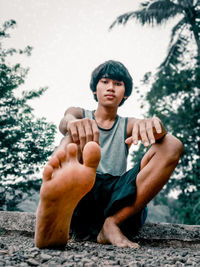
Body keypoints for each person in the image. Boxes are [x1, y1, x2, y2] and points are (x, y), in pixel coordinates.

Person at [34, 60, 183, 249]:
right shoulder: (79, 113)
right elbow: (66, 120)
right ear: (95, 89)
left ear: (125, 93)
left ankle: (111, 224)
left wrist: (156, 126)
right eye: (105, 82)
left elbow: (153, 129)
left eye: (118, 84)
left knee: (172, 143)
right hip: (82, 194)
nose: (110, 88)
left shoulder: (128, 124)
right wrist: (73, 123)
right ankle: (58, 212)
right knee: (70, 139)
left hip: (118, 199)